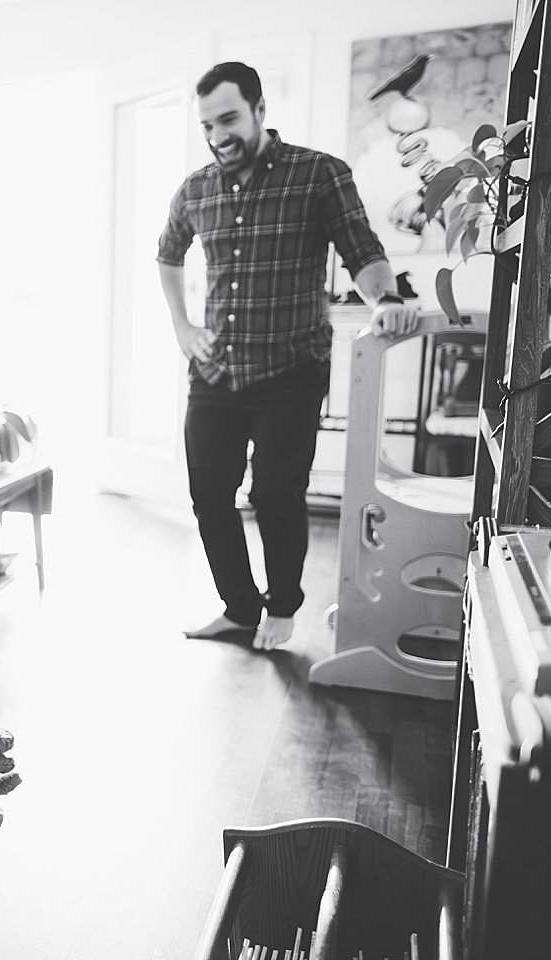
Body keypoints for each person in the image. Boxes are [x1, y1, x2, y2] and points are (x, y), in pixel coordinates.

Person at [156, 61, 419, 651]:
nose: (218, 135)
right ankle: (239, 609)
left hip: (290, 372)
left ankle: (282, 605)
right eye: (206, 125)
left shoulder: (318, 173)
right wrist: (181, 326)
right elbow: (167, 254)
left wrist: (388, 299)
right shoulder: (196, 187)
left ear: (259, 110)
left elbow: (363, 250)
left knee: (275, 494)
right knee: (208, 498)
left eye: (228, 119)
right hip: (215, 371)